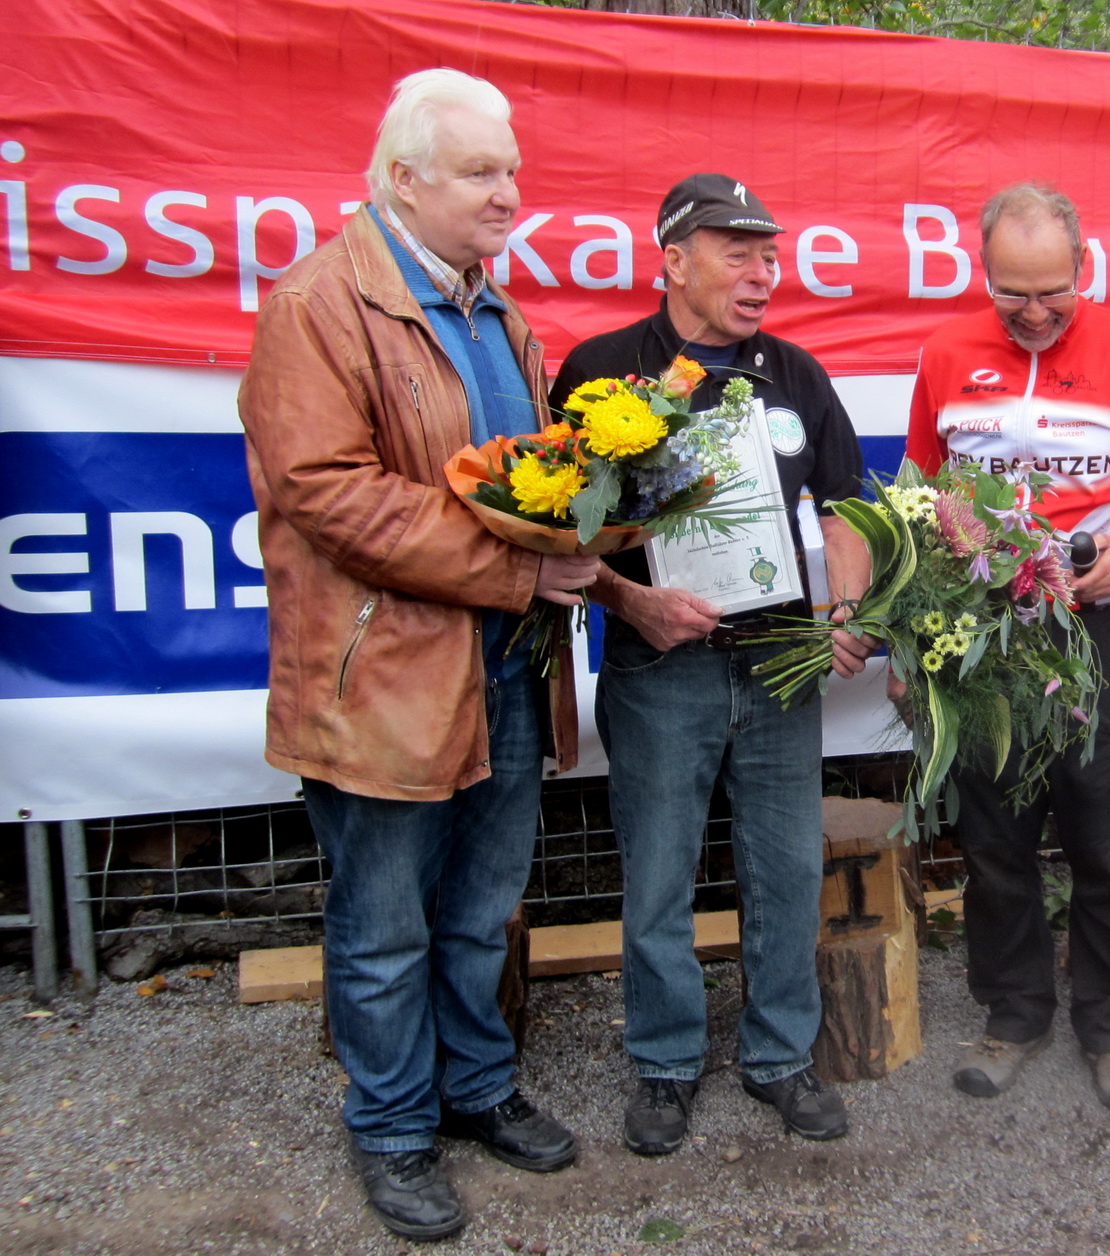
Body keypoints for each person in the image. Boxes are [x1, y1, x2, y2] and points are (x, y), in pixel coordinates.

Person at [237, 69, 593, 1240]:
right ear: (404, 179)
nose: (511, 193)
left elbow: (520, 476)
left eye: (513, 170)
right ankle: (392, 1125)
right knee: (385, 922)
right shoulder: (319, 304)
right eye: (485, 171)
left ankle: (476, 1086)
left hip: (499, 665)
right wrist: (517, 572)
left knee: (483, 906)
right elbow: (328, 493)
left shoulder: (496, 308)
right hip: (385, 678)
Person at [548, 174, 873, 1155]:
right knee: (656, 876)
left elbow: (847, 506)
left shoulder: (796, 376)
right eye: (737, 251)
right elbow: (560, 539)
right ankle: (664, 1062)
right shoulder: (602, 373)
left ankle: (780, 1055)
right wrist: (631, 601)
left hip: (779, 667)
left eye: (768, 253)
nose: (762, 272)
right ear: (673, 259)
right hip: (661, 667)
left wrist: (846, 608)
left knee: (783, 868)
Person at [902, 184, 1110, 1111]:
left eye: (1051, 292)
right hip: (983, 623)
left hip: (1092, 613)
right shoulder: (946, 354)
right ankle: (1013, 1011)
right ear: (982, 274)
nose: (1031, 311)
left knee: (1103, 826)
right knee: (993, 833)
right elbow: (916, 487)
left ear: (1085, 269)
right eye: (1010, 292)